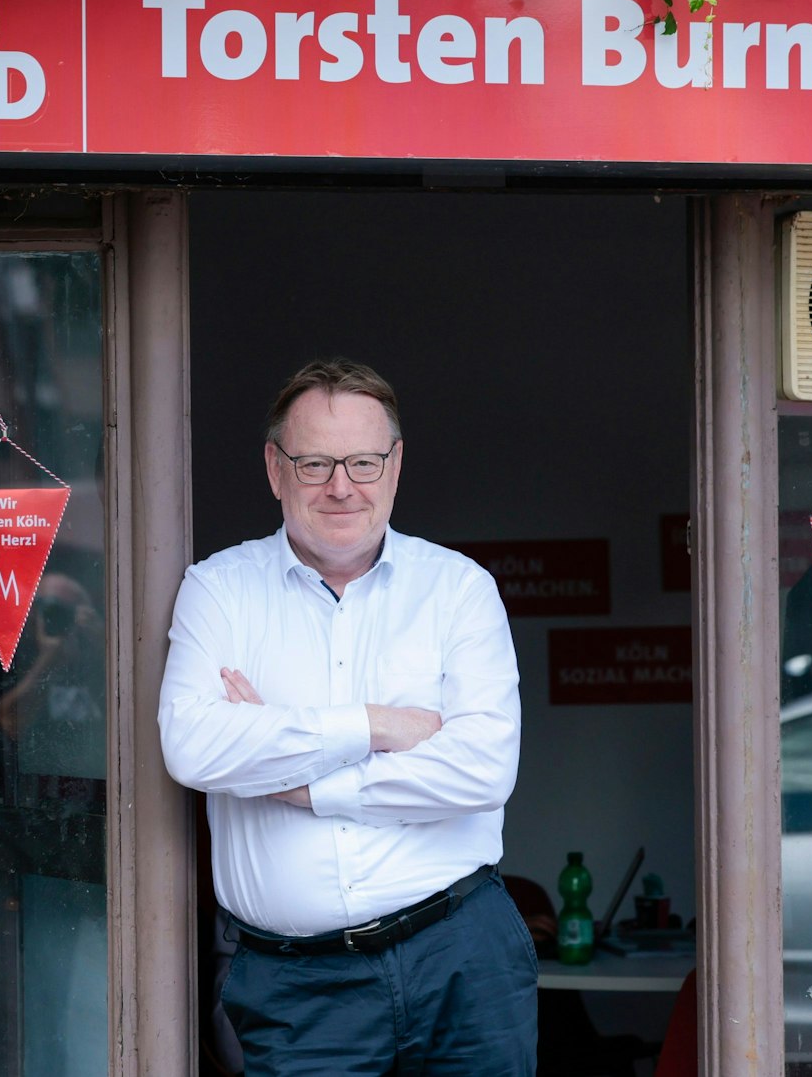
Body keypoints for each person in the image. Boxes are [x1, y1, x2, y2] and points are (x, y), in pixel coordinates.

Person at [159, 358, 537, 1076]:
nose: (342, 486)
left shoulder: (459, 590)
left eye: (363, 461)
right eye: (314, 463)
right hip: (301, 987)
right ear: (275, 468)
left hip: (462, 956)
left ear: (395, 466)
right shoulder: (217, 591)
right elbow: (194, 746)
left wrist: (297, 775)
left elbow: (485, 767)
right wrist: (377, 724)